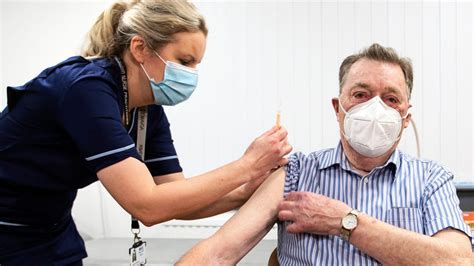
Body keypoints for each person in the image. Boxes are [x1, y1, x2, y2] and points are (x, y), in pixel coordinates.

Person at [0, 0, 292, 265]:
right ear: (140, 48)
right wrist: (247, 166)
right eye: (185, 61)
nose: (191, 75)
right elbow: (148, 206)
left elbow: (175, 198)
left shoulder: (146, 110)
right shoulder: (86, 90)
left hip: (52, 232)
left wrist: (251, 189)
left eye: (197, 64)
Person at [177, 43, 473, 265]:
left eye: (391, 99)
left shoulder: (432, 180)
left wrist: (346, 222)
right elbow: (218, 252)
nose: (375, 109)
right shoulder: (295, 174)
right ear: (338, 108)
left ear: (406, 117)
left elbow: (458, 261)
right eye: (361, 95)